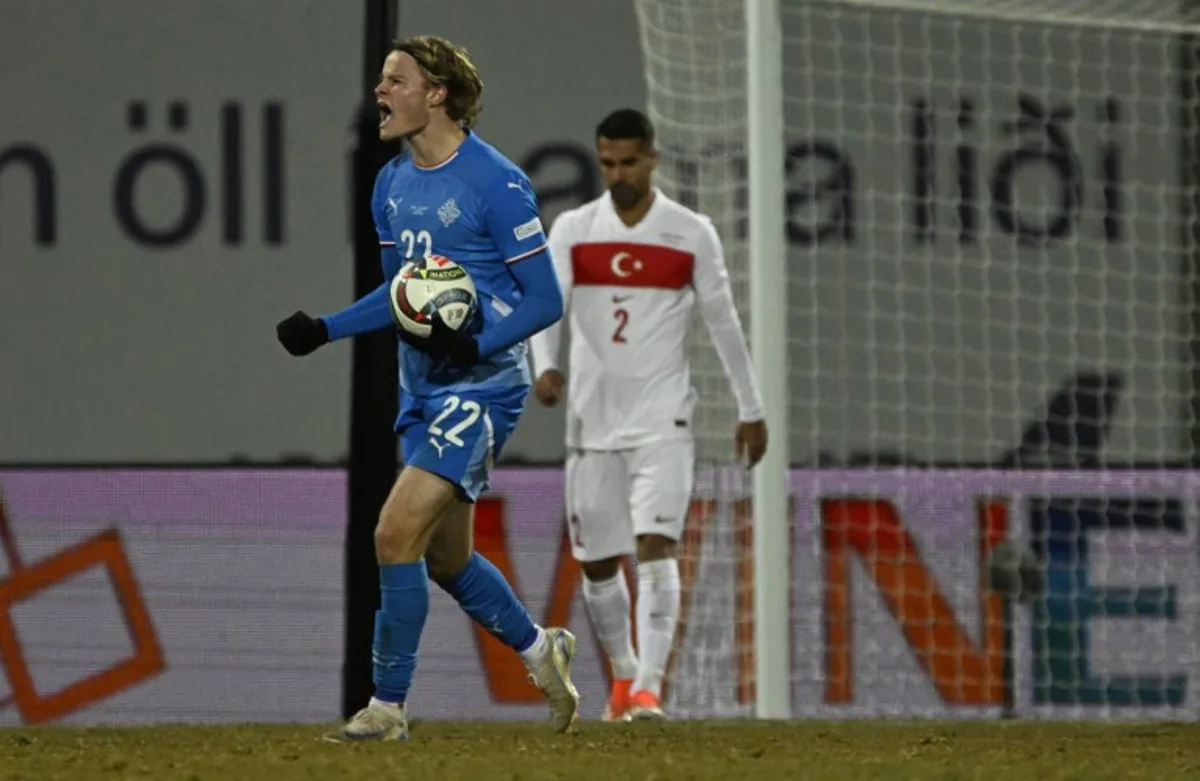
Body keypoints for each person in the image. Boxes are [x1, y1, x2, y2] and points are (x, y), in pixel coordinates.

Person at [275, 35, 579, 741]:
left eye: (395, 79)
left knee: (393, 531)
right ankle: (542, 648)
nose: (379, 92)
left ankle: (387, 706)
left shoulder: (496, 183)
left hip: (482, 387)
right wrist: (326, 327)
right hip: (421, 388)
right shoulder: (390, 183)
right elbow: (401, 294)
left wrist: (472, 343)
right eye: (382, 80)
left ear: (436, 93)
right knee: (444, 557)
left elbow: (544, 300)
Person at [529, 108, 767, 721]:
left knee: (656, 545)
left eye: (629, 162)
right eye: (607, 163)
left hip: (664, 420)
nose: (618, 173)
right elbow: (546, 307)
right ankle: (624, 679)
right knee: (598, 562)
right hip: (591, 425)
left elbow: (723, 321)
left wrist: (751, 407)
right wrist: (545, 367)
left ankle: (649, 690)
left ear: (653, 159)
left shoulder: (689, 232)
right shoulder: (574, 229)